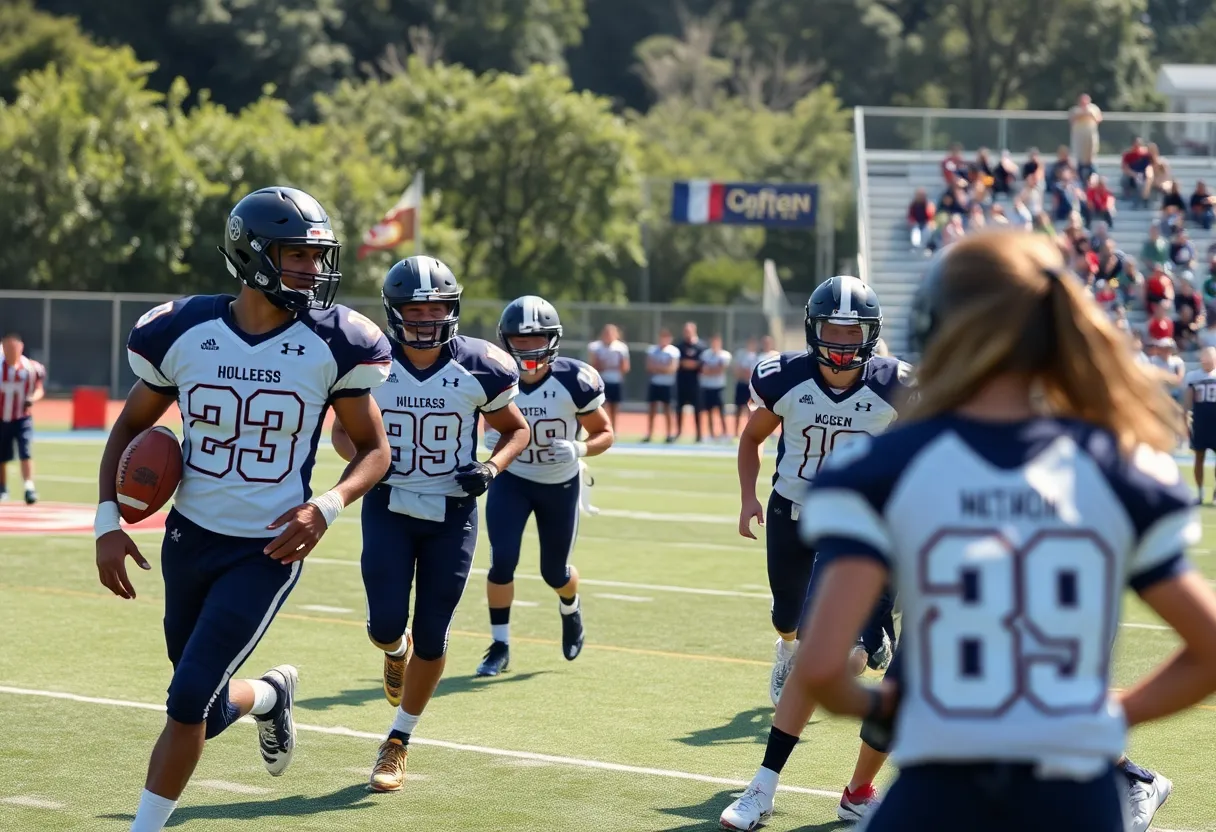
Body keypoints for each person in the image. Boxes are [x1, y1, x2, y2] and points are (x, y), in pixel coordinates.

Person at [790, 230, 1214, 832]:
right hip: (1077, 800)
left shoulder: (882, 469)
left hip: (938, 790)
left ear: (937, 326)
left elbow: (823, 667)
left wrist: (885, 704)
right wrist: (1113, 716)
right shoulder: (1122, 468)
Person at [95, 187, 394, 832]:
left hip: (268, 547)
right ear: (252, 255)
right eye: (295, 256)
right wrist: (107, 524)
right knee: (199, 701)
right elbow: (126, 433)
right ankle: (268, 695)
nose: (311, 271)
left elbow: (374, 450)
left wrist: (328, 505)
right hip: (189, 537)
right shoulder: (184, 330)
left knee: (183, 700)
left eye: (316, 257)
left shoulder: (337, 342)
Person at [332, 256, 530, 793]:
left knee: (436, 635)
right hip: (389, 506)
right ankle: (396, 653)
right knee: (384, 626)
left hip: (452, 515)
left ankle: (397, 740)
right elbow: (342, 435)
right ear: (394, 313)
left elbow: (516, 430)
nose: (426, 318)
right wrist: (367, 463)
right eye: (415, 309)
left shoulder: (482, 364)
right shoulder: (369, 363)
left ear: (453, 308)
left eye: (436, 307)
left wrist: (490, 467)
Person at [724, 275, 912, 829]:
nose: (842, 342)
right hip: (792, 513)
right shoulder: (785, 376)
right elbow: (751, 438)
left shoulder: (896, 385)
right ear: (813, 328)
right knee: (789, 621)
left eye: (853, 332)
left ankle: (764, 785)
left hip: (857, 530)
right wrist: (747, 499)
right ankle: (813, 649)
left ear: (872, 334)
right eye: (832, 329)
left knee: (836, 653)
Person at [475, 295, 614, 677]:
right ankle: (499, 644)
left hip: (559, 484)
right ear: (505, 340)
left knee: (555, 572)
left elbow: (606, 433)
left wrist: (580, 446)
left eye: (536, 338)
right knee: (501, 562)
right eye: (519, 340)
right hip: (512, 480)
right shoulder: (492, 373)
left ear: (553, 339)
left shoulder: (575, 379)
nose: (527, 348)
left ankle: (570, 608)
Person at [0, 332, 45, 504]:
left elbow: (39, 389)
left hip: (22, 417)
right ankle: (2, 487)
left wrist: (32, 399)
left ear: (20, 347)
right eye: (7, 346)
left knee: (25, 451)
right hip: (2, 418)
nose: (11, 350)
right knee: (2, 456)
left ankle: (29, 487)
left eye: (13, 346)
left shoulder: (31, 368)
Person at [1185, 347, 1216, 504]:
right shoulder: (1193, 376)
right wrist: (1186, 415)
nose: (1206, 362)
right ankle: (1200, 492)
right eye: (1204, 358)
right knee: (1199, 457)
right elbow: (1188, 400)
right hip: (1200, 423)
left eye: (1209, 358)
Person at [587, 324, 629, 428]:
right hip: (600, 381)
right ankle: (601, 427)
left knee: (614, 406)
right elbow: (593, 364)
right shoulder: (595, 347)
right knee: (600, 406)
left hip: (615, 381)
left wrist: (611, 366)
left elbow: (625, 367)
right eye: (606, 333)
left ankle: (613, 429)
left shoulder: (621, 348)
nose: (608, 335)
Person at [643, 330, 680, 442]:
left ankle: (669, 434)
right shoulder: (652, 350)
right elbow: (649, 367)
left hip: (667, 384)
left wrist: (658, 368)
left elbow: (672, 369)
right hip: (655, 383)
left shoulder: (673, 351)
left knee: (668, 409)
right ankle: (649, 434)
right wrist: (662, 368)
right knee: (652, 409)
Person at [674, 322, 707, 442]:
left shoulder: (701, 346)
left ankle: (699, 434)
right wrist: (690, 364)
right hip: (682, 381)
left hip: (696, 382)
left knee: (697, 408)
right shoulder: (679, 346)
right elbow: (678, 363)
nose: (687, 333)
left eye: (689, 330)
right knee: (679, 408)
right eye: (685, 331)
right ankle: (678, 432)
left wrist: (690, 364)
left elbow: (701, 364)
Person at [699, 334, 732, 441]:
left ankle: (725, 433)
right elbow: (704, 370)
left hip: (719, 387)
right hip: (707, 387)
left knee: (721, 411)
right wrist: (713, 369)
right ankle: (711, 434)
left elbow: (720, 369)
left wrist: (711, 370)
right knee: (708, 411)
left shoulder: (724, 355)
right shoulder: (705, 355)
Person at [733, 337, 760, 437]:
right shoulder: (741, 355)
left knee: (751, 409)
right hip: (741, 384)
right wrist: (743, 373)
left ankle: (749, 431)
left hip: (751, 386)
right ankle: (735, 432)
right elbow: (737, 370)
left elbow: (754, 373)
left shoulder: (756, 357)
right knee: (738, 409)